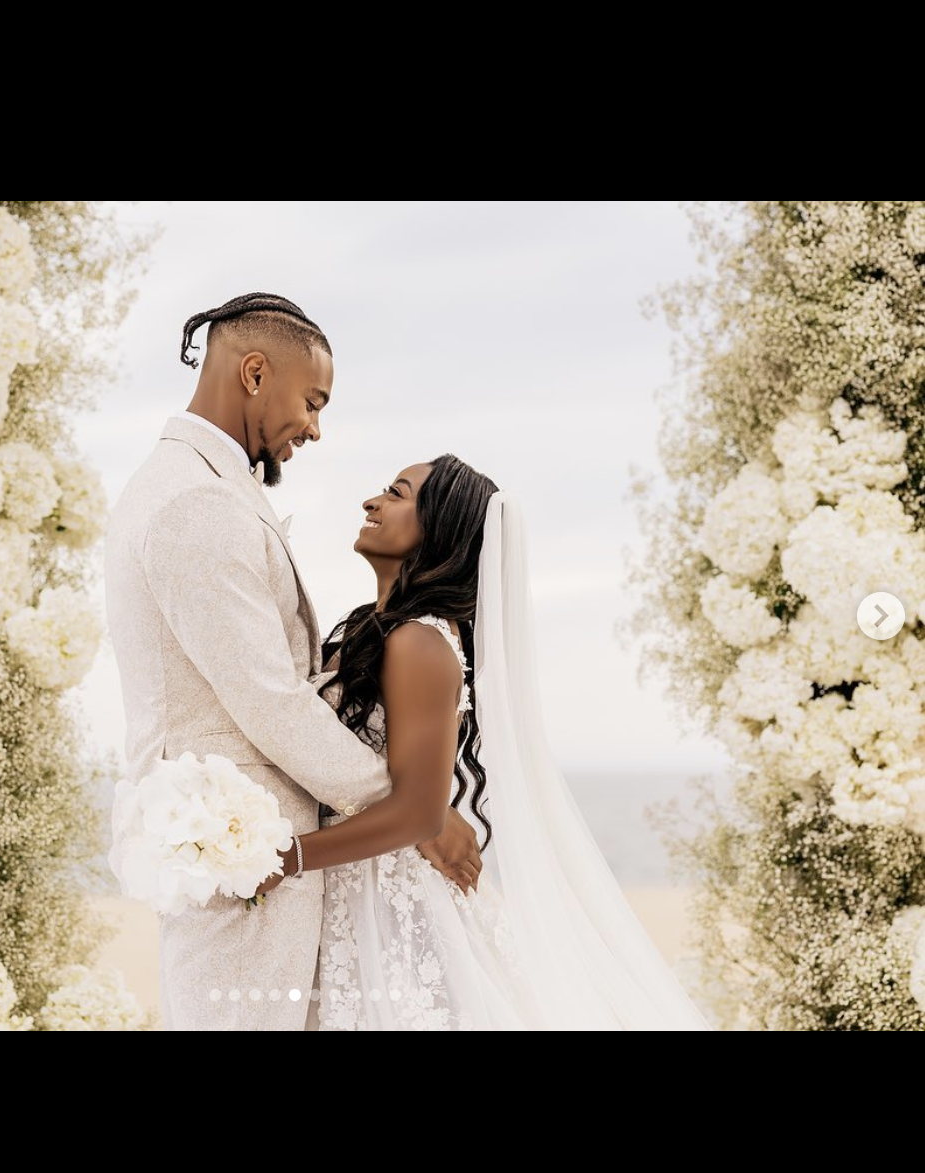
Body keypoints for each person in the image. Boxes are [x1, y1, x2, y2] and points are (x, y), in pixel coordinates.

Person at [105, 293, 482, 1031]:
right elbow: (269, 697)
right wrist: (416, 811)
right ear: (254, 373)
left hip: (258, 873)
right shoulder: (196, 504)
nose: (315, 428)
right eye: (312, 402)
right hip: (242, 881)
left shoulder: (201, 489)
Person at [257, 455, 712, 1031]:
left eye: (396, 494)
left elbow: (419, 813)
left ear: (440, 532)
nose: (372, 503)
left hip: (388, 902)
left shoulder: (420, 643)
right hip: (350, 886)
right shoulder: (370, 630)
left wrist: (285, 860)